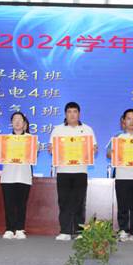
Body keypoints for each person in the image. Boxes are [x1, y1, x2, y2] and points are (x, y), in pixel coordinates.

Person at [49, 102, 97, 241]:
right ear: (65, 114)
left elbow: (94, 147)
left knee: (79, 202)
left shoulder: (87, 129)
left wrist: (93, 150)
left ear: (79, 114)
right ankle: (64, 231)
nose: (72, 115)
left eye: (75, 112)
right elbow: (51, 147)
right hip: (63, 171)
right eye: (69, 112)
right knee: (63, 201)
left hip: (80, 171)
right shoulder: (57, 130)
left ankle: (78, 231)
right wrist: (52, 149)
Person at [107, 109, 133, 242]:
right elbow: (108, 153)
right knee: (123, 206)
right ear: (124, 121)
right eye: (128, 118)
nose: (131, 121)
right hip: (122, 176)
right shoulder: (117, 137)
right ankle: (123, 230)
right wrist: (114, 152)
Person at [0, 111, 35, 240]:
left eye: (20, 119)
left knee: (21, 204)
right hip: (8, 176)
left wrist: (34, 149)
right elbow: (0, 156)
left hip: (24, 176)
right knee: (8, 204)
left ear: (24, 123)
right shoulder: (5, 139)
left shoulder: (31, 139)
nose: (17, 121)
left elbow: (33, 157)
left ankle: (20, 229)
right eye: (15, 119)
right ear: (11, 123)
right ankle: (9, 229)